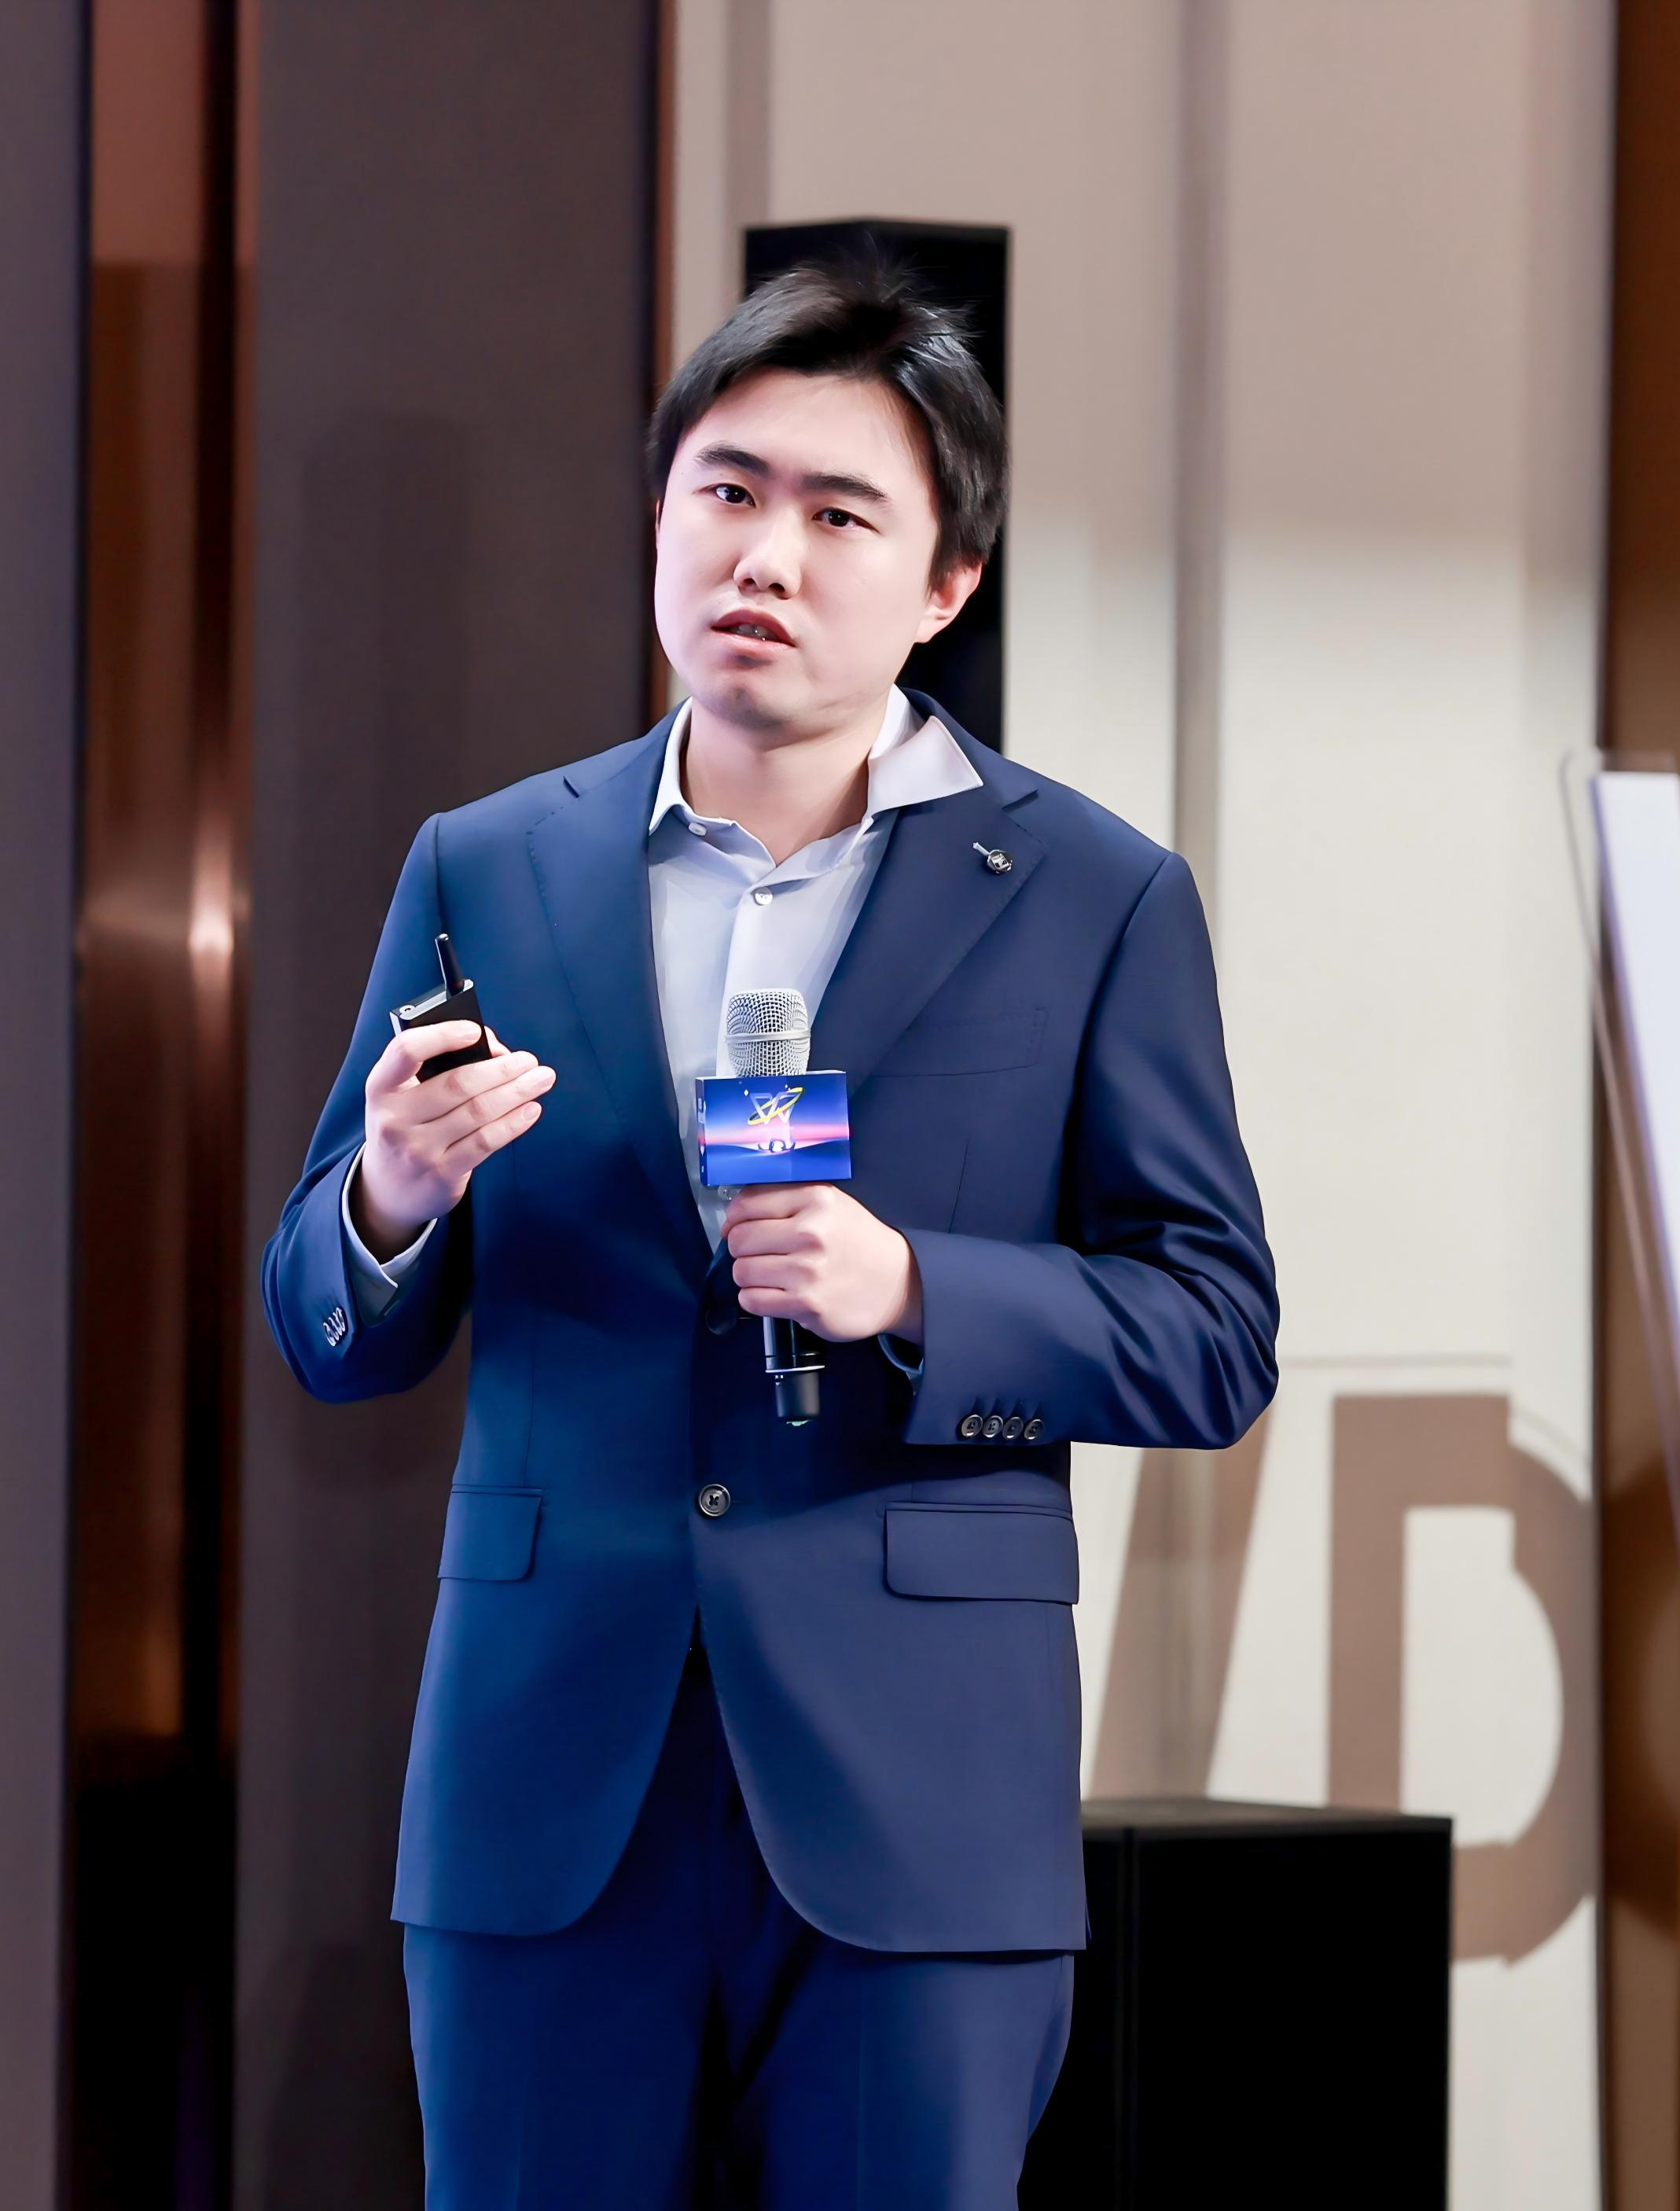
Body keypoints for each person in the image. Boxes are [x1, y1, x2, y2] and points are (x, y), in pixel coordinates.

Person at [261, 260, 1278, 2208]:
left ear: (946, 582)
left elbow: (1214, 1329)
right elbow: (331, 1325)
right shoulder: (487, 861)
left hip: (917, 1801)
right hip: (548, 1779)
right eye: (725, 492)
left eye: (838, 514)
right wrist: (391, 1192)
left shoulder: (1090, 892)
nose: (765, 556)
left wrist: (914, 1288)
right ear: (658, 520)